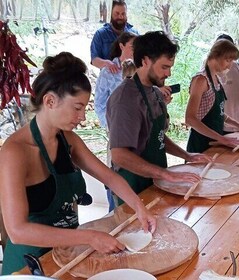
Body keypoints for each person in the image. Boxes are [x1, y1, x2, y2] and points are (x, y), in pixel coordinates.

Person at [0, 52, 156, 275]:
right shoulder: (15, 152)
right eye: (77, 107)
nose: (82, 117)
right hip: (30, 263)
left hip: (66, 253)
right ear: (50, 101)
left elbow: (110, 177)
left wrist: (140, 208)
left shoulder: (68, 140)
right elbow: (17, 231)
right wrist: (89, 237)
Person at [107, 31, 210, 204]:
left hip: (154, 180)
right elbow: (119, 155)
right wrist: (164, 174)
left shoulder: (154, 93)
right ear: (145, 61)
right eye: (164, 67)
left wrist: (188, 155)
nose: (169, 74)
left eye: (170, 67)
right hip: (132, 186)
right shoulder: (125, 99)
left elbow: (157, 136)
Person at [185, 39, 239, 153]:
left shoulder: (216, 78)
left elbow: (219, 112)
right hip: (200, 144)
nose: (230, 65)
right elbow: (190, 119)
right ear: (215, 56)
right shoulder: (201, 80)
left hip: (215, 142)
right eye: (228, 60)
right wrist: (222, 139)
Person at [94, 31, 137, 129]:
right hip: (115, 125)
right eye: (132, 47)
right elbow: (99, 103)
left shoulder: (141, 69)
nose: (136, 51)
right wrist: (111, 124)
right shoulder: (108, 72)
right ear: (121, 46)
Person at [90, 0, 138, 73]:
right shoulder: (100, 34)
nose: (120, 16)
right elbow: (94, 60)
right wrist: (106, 63)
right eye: (117, 13)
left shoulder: (135, 34)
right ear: (110, 14)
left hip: (131, 78)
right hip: (109, 78)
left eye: (123, 13)